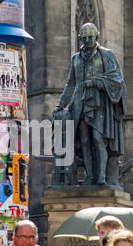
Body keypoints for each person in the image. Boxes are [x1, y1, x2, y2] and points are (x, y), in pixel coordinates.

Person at [53, 22, 127, 186]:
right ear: (80, 38)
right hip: (79, 103)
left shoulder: (106, 54)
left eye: (90, 37)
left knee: (98, 139)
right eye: (84, 38)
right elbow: (70, 84)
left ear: (96, 37)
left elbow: (117, 80)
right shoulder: (76, 58)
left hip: (99, 103)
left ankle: (101, 176)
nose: (87, 40)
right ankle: (90, 176)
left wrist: (96, 82)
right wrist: (60, 105)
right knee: (84, 140)